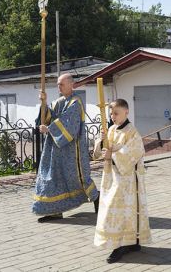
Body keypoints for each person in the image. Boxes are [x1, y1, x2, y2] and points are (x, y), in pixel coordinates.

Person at [33, 73, 100, 222]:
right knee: (54, 178)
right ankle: (55, 210)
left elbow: (68, 123)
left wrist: (49, 129)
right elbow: (49, 117)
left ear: (71, 85)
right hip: (55, 149)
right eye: (57, 84)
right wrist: (44, 103)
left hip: (72, 150)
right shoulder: (57, 102)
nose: (59, 87)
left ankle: (97, 197)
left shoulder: (76, 102)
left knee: (76, 177)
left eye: (61, 84)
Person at [93, 99, 151, 263]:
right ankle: (128, 242)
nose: (113, 116)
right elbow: (99, 154)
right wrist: (101, 140)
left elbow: (136, 151)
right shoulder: (110, 129)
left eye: (116, 113)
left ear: (126, 112)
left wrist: (113, 155)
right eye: (111, 113)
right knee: (116, 210)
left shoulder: (132, 132)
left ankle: (120, 245)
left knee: (120, 211)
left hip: (127, 181)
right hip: (111, 178)